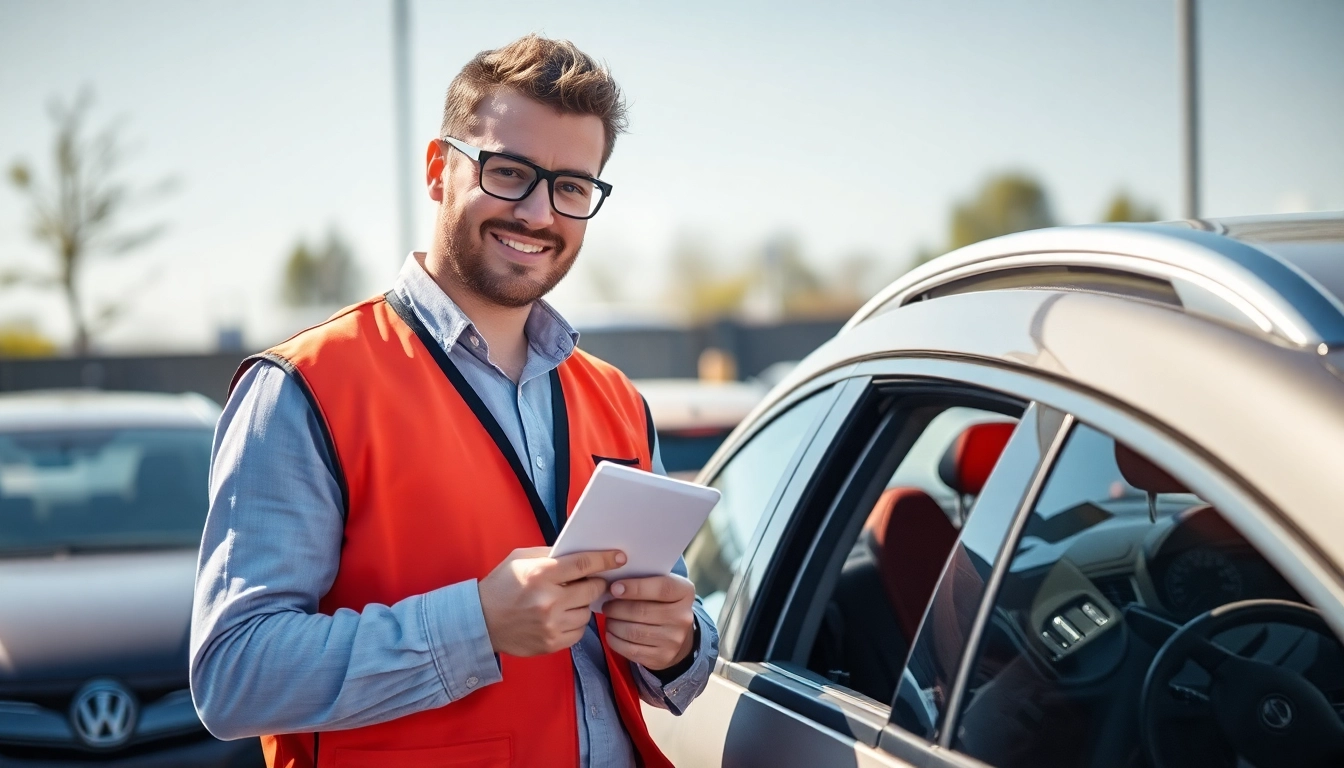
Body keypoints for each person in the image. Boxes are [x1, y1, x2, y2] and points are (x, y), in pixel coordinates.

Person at [190, 35, 717, 768]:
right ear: (440, 170)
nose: (538, 213)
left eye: (571, 187)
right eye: (509, 173)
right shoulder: (304, 386)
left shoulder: (616, 397)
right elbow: (234, 676)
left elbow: (676, 634)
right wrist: (477, 626)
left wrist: (679, 642)